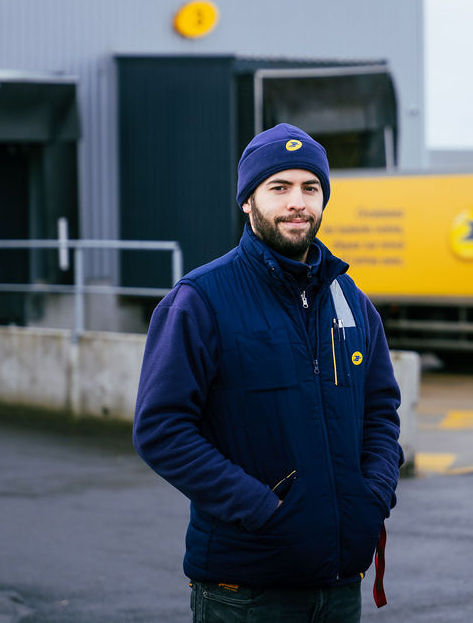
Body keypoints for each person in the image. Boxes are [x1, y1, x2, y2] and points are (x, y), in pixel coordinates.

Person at [133, 123, 403, 622]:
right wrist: (260, 509)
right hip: (245, 593)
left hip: (341, 586)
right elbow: (162, 429)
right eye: (279, 188)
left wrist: (374, 495)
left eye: (310, 187)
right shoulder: (201, 300)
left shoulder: (351, 303)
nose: (297, 202)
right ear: (247, 202)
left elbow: (381, 410)